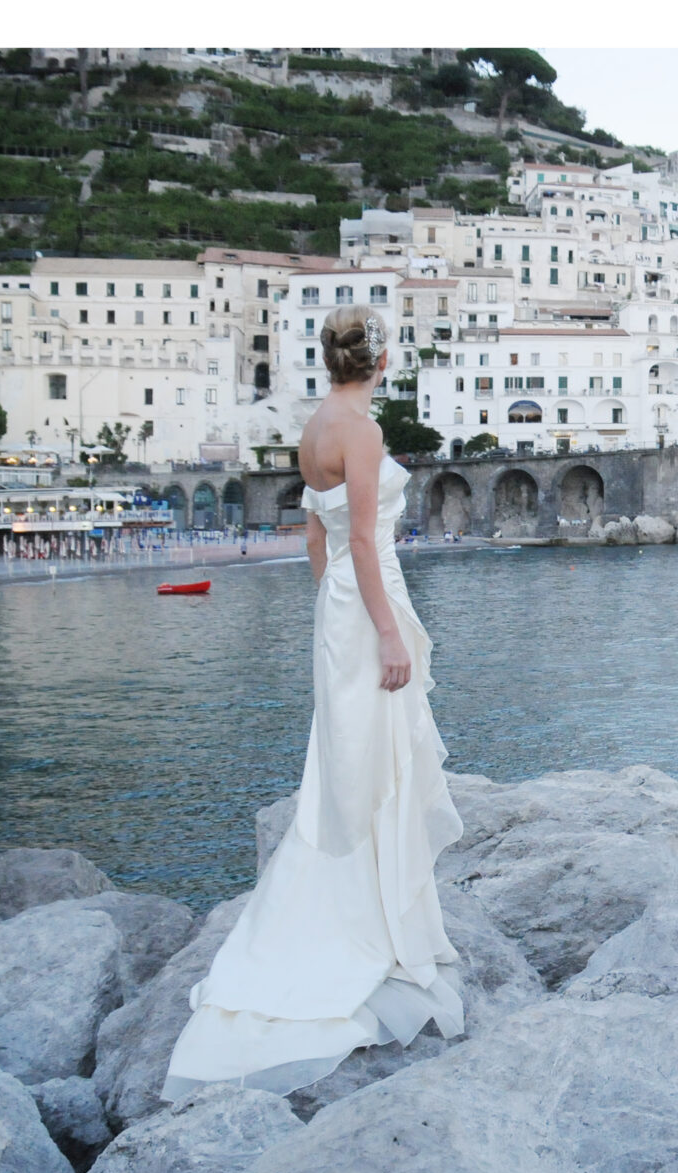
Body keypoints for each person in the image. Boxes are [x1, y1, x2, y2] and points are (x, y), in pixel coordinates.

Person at [162, 306, 465, 1101]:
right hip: (368, 607)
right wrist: (388, 633)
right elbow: (363, 539)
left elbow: (316, 537)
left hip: (341, 605)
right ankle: (369, 921)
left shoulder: (315, 424)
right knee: (374, 761)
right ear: (382, 358)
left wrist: (336, 605)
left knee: (349, 762)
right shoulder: (359, 433)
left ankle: (372, 903)